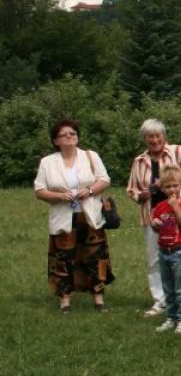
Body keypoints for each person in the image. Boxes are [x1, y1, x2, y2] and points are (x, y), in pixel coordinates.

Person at [34, 119, 114, 313]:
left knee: (95, 257)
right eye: (64, 134)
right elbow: (39, 190)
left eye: (73, 134)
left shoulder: (90, 156)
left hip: (89, 215)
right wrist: (59, 196)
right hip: (63, 217)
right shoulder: (47, 162)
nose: (70, 137)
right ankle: (65, 300)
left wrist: (90, 191)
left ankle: (98, 298)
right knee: (63, 259)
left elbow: (104, 180)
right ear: (56, 140)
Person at [125, 118, 181, 318]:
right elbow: (131, 188)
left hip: (177, 213)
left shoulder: (178, 152)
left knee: (179, 257)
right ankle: (160, 300)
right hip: (152, 214)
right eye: (150, 136)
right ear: (144, 139)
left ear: (164, 136)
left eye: (158, 135)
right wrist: (141, 195)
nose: (155, 140)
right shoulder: (139, 161)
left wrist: (173, 184)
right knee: (154, 258)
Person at [151, 165, 181, 334]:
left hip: (180, 252)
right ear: (162, 188)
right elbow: (156, 226)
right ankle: (171, 317)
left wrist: (175, 207)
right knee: (168, 288)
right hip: (164, 251)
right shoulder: (160, 206)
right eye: (168, 186)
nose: (172, 189)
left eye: (175, 185)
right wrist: (154, 224)